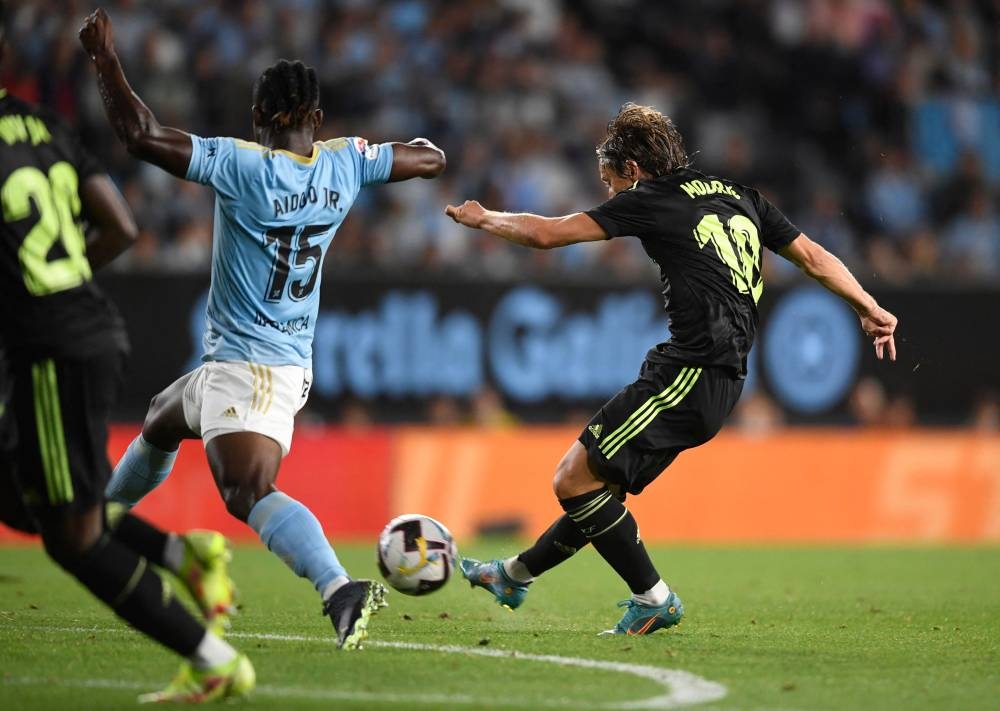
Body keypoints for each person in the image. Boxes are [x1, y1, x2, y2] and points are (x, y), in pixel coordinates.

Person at [446, 103, 898, 635]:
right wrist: (868, 305)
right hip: (723, 378)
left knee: (572, 479)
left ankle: (654, 598)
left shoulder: (649, 198)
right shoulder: (740, 195)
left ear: (633, 169)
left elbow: (547, 235)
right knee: (600, 495)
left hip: (691, 370)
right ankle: (513, 575)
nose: (610, 191)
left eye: (610, 179)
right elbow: (814, 258)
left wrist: (484, 218)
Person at [79, 8, 446, 649]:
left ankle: (338, 587)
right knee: (163, 417)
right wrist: (382, 151)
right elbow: (430, 159)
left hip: (252, 370)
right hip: (269, 362)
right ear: (317, 119)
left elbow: (140, 135)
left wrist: (105, 59)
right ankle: (98, 526)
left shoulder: (239, 164)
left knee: (246, 489)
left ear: (256, 116)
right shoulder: (344, 164)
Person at [0, 3, 252, 702]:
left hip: (49, 348)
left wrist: (33, 295)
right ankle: (181, 554)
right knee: (22, 502)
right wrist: (58, 280)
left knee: (71, 538)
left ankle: (210, 658)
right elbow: (120, 226)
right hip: (84, 329)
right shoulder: (44, 127)